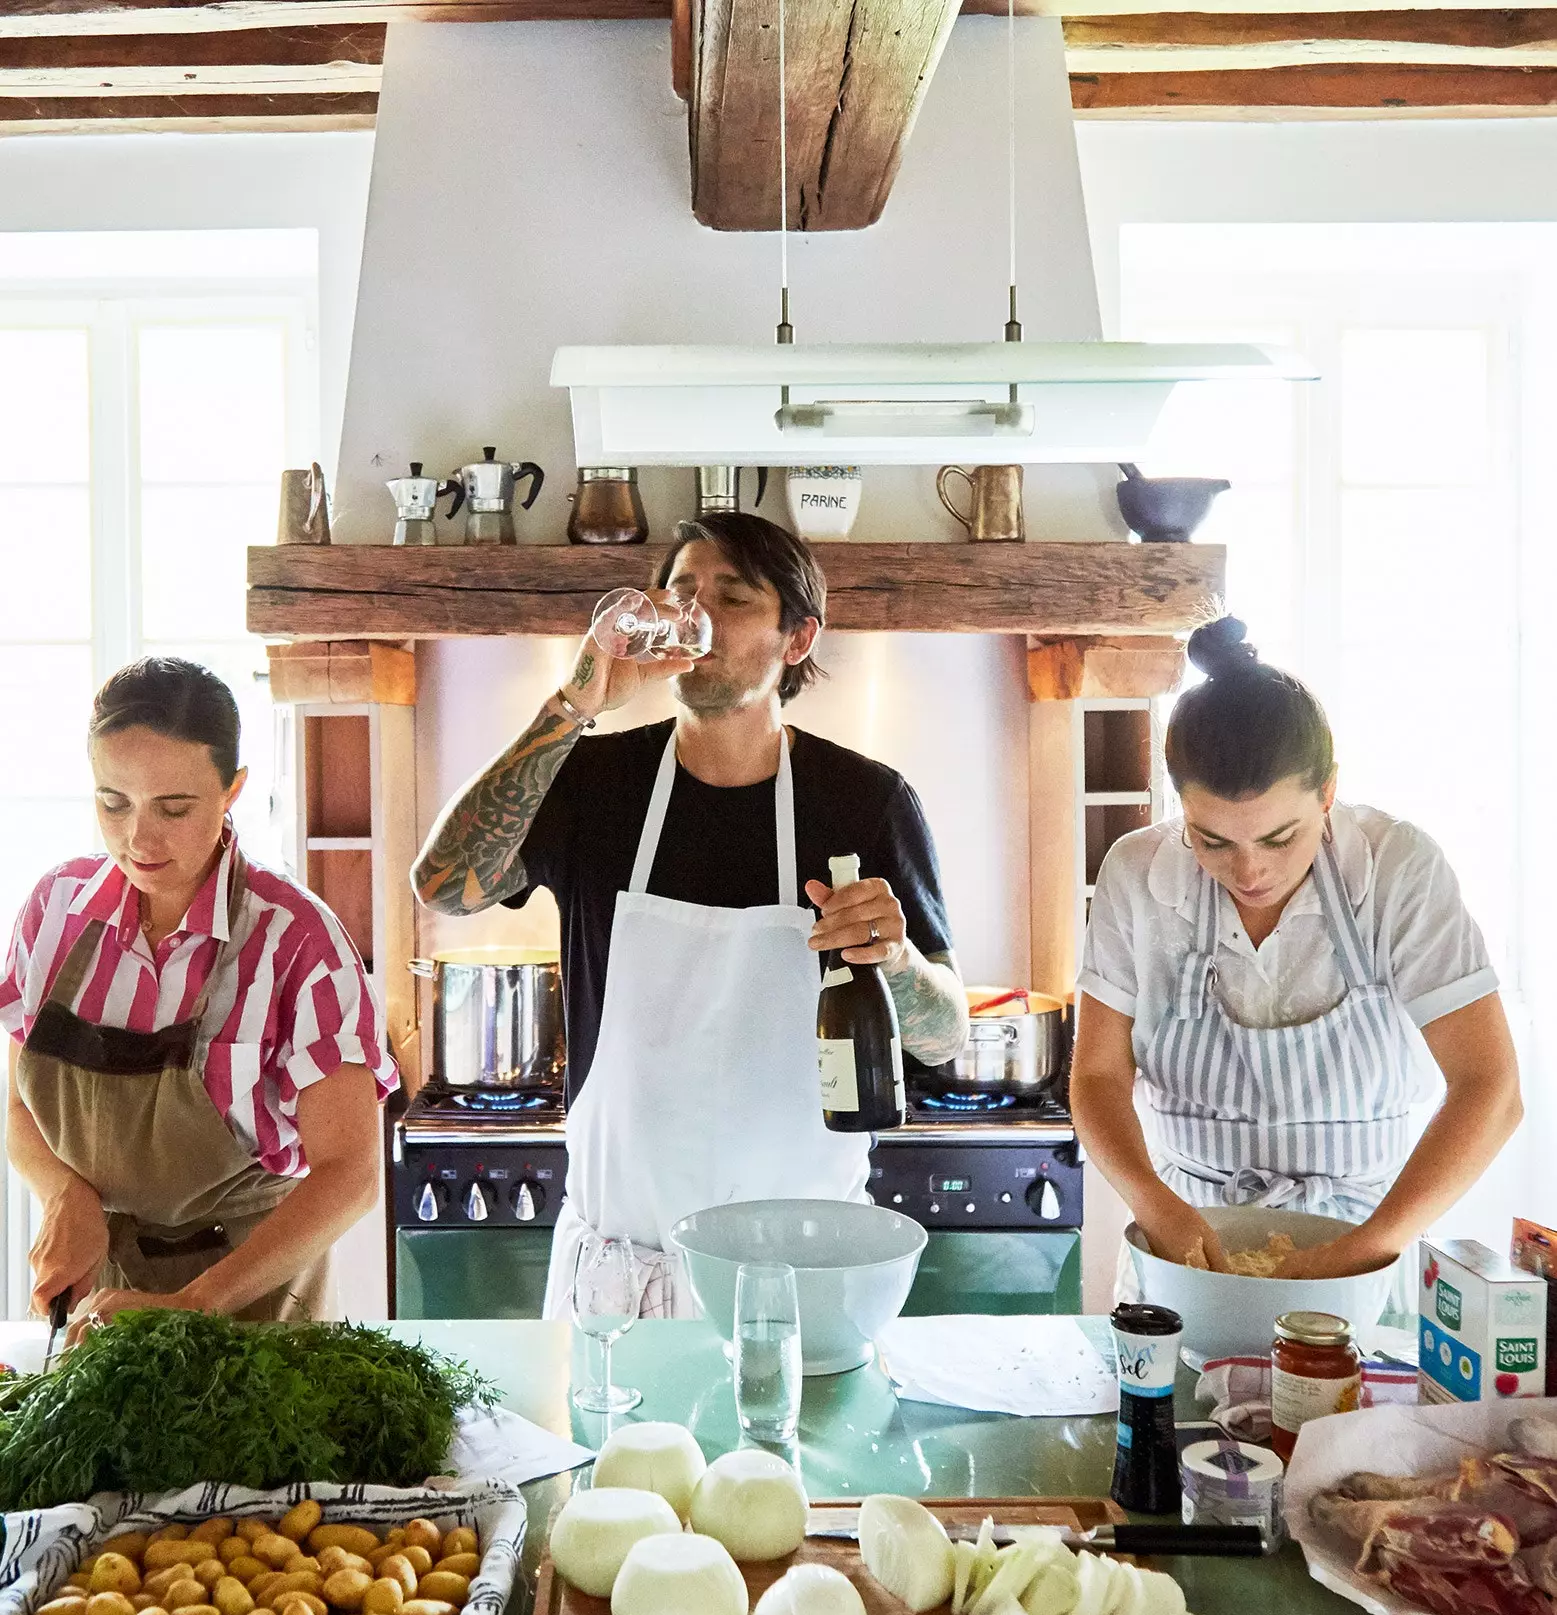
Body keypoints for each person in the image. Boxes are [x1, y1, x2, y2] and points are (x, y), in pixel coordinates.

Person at [413, 511, 969, 1317]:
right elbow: (440, 884)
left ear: (798, 638)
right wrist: (572, 704)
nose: (695, 617)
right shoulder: (592, 781)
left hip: (800, 1278)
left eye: (733, 598)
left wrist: (897, 962)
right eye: (681, 593)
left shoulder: (865, 802)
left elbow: (942, 1034)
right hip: (619, 1279)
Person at [1070, 615, 1521, 1286]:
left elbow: (1492, 1089)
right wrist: (1153, 1204)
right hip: (1187, 1242)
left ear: (1328, 792)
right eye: (1211, 840)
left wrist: (1364, 1250)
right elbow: (1098, 1076)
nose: (1248, 871)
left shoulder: (1395, 869)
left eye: (1279, 837)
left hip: (1364, 1237)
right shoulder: (1136, 874)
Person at [2, 657, 398, 1335]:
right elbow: (17, 1102)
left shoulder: (296, 940)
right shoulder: (55, 910)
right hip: (100, 1295)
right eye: (112, 802)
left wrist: (194, 1305)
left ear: (232, 789)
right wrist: (67, 1194)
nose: (138, 839)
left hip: (254, 1303)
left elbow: (349, 1175)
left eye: (174, 807)